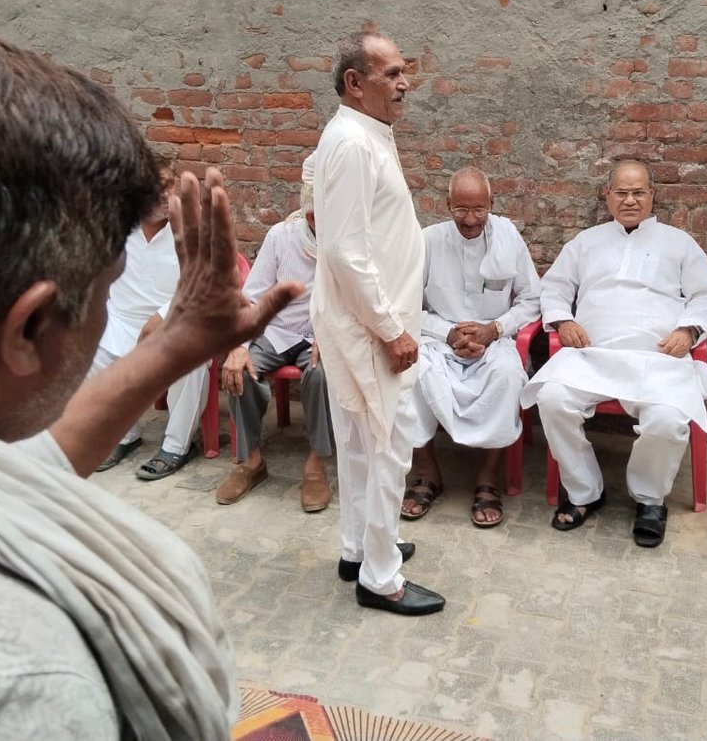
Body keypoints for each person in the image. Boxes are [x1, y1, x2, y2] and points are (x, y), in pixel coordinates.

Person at [0, 18, 297, 738]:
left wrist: (175, 344)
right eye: (107, 283)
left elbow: (12, 473)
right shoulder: (18, 685)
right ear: (30, 330)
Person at [520, 160, 707, 548]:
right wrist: (563, 321)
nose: (630, 200)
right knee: (552, 398)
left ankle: (649, 499)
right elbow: (555, 288)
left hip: (657, 359)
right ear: (608, 196)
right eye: (621, 192)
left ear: (652, 195)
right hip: (592, 356)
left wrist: (689, 329)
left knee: (668, 419)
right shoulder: (586, 242)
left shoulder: (679, 243)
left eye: (638, 192)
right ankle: (584, 492)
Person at [310, 30, 444, 616]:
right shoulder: (352, 144)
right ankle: (381, 578)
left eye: (404, 71)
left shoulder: (366, 136)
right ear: (355, 84)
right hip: (369, 328)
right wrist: (392, 329)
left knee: (363, 446)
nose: (405, 83)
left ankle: (358, 549)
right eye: (391, 73)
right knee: (388, 448)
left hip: (364, 321)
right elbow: (343, 250)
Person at [401, 166, 540, 528]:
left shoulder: (508, 238)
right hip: (437, 339)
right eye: (461, 210)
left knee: (509, 376)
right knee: (410, 373)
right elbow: (407, 305)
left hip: (494, 340)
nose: (470, 219)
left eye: (479, 209)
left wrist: (493, 330)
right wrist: (448, 333)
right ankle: (427, 470)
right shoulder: (429, 239)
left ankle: (488, 476)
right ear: (447, 205)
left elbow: (531, 300)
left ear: (491, 204)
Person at [218, 160, 334, 511]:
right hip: (278, 330)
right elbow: (252, 296)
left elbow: (358, 301)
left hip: (322, 335)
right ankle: (251, 460)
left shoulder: (350, 242)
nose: (319, 223)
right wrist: (238, 346)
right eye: (313, 216)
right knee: (240, 367)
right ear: (305, 212)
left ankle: (317, 463)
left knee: (321, 374)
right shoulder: (281, 237)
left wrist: (332, 337)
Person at [92, 169, 210, 480]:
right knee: (89, 354)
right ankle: (123, 436)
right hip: (120, 319)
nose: (160, 194)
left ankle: (176, 446)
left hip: (175, 320)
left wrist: (163, 315)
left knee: (191, 360)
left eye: (167, 187)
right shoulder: (117, 229)